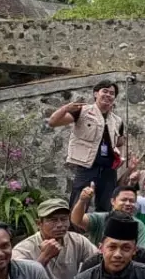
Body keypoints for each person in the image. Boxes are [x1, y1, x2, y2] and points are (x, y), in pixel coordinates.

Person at [48, 81, 124, 212]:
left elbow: (120, 142)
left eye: (112, 93)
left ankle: (102, 232)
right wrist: (66, 108)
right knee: (79, 204)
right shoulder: (82, 111)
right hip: (86, 167)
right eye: (104, 91)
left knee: (107, 208)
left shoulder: (117, 120)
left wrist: (119, 156)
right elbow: (53, 122)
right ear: (96, 93)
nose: (108, 95)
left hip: (108, 170)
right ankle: (74, 232)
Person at [11, 198, 99, 279]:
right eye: (53, 220)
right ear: (39, 223)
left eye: (64, 219)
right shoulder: (24, 249)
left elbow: (98, 260)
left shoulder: (77, 240)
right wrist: (44, 257)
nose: (60, 225)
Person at [71, 184, 145, 251]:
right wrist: (82, 200)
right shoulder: (100, 218)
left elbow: (140, 251)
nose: (128, 203)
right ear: (113, 201)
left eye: (131, 201)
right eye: (123, 200)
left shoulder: (138, 225)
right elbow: (76, 220)